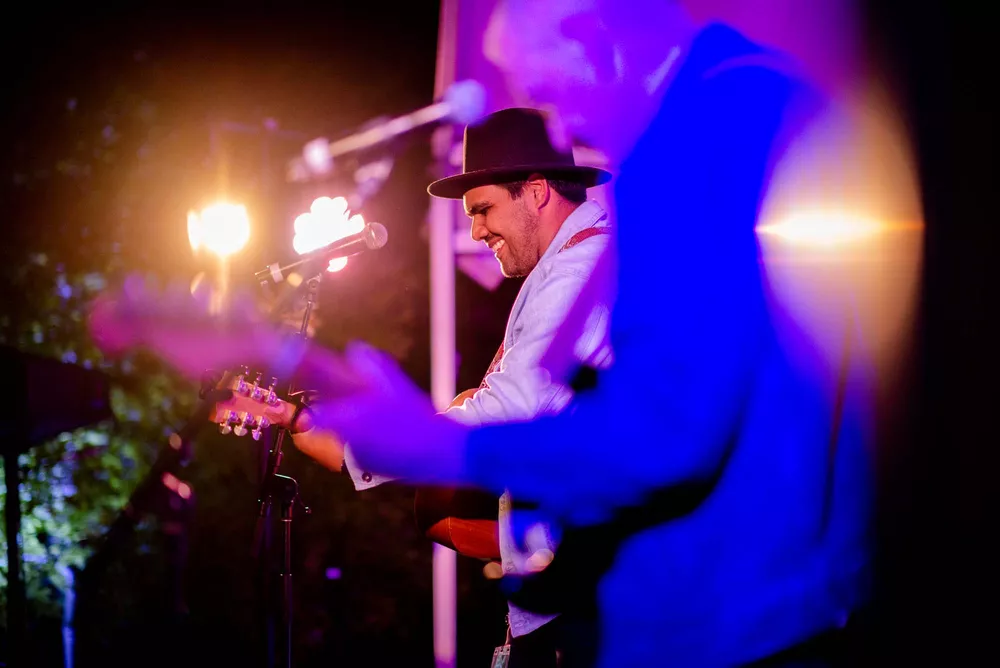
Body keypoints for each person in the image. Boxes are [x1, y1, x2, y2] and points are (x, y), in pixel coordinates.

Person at [296, 2, 875, 667]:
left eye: (543, 91)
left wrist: (426, 440)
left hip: (741, 613)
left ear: (593, 35)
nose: (559, 125)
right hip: (758, 600)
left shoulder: (699, 136)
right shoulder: (731, 105)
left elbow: (668, 431)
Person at [284, 106, 616, 666]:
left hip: (591, 605)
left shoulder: (578, 270)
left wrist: (362, 446)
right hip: (573, 589)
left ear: (536, 192)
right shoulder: (572, 263)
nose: (477, 230)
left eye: (484, 209)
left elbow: (512, 405)